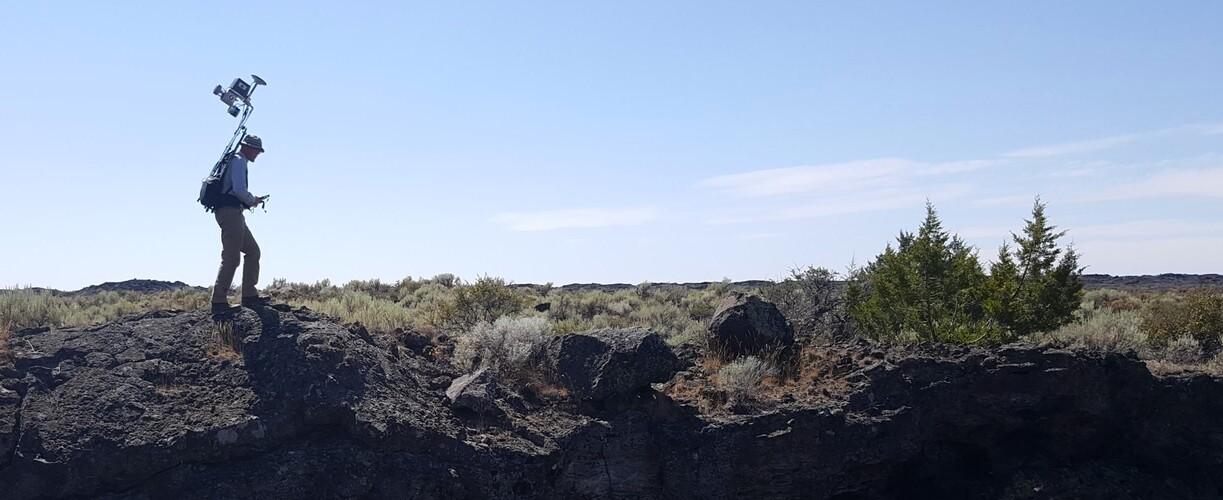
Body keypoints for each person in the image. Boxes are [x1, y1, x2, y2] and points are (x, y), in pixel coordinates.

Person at [210, 135, 270, 314]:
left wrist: (250, 201)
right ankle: (219, 301)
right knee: (231, 257)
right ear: (248, 148)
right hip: (230, 213)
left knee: (253, 251)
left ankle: (249, 295)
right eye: (257, 150)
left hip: (234, 212)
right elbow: (238, 190)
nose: (258, 154)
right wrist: (252, 200)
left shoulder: (236, 160)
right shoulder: (238, 161)